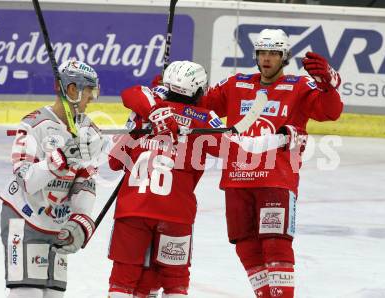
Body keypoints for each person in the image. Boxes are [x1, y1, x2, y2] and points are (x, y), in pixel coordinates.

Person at [120, 29, 343, 298]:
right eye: (262, 52)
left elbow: (330, 112)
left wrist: (329, 84)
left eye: (273, 53)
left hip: (276, 180)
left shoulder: (300, 86)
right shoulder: (236, 84)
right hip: (237, 180)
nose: (266, 59)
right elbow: (195, 104)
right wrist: (168, 91)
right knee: (246, 246)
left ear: (284, 57)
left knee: (276, 245)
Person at [106, 60, 304, 298]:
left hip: (132, 210)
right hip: (176, 213)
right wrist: (283, 139)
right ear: (199, 90)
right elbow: (243, 150)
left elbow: (114, 160)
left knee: (124, 279)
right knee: (174, 281)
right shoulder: (203, 117)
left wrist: (146, 115)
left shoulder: (143, 112)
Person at [0, 59, 107, 298]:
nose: (92, 98)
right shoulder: (34, 124)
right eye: (89, 90)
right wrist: (59, 158)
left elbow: (85, 181)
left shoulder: (90, 132)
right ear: (72, 90)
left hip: (57, 223)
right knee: (27, 293)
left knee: (53, 295)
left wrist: (80, 218)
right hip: (23, 217)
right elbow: (27, 179)